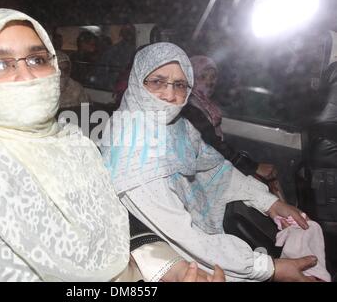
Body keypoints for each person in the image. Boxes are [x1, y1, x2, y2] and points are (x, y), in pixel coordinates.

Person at [0, 9, 224, 282]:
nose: (26, 75)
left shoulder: (73, 142)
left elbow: (115, 216)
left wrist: (171, 267)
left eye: (36, 58)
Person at [100, 42, 318, 282]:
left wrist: (269, 202)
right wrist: (269, 268)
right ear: (137, 83)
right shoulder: (129, 147)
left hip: (204, 240)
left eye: (180, 85)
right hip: (172, 258)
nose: (170, 95)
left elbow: (215, 167)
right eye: (157, 82)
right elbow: (183, 235)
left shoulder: (177, 126)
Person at [181, 56, 284, 198]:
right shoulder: (190, 108)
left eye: (213, 76)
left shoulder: (206, 104)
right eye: (203, 76)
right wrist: (253, 167)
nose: (210, 82)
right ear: (191, 78)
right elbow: (213, 145)